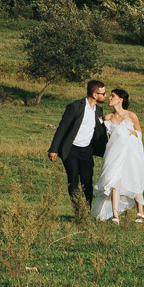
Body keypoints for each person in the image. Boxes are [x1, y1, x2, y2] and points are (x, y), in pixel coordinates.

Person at [46, 78, 111, 216]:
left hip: (86, 150)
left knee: (87, 181)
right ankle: (78, 210)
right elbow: (62, 128)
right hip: (71, 149)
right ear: (95, 94)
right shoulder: (75, 107)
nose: (105, 96)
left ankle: (86, 211)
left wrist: (108, 150)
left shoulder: (98, 111)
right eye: (103, 93)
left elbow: (100, 133)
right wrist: (53, 149)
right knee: (73, 180)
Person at [95, 88, 144, 223]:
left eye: (112, 96)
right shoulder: (108, 117)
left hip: (129, 152)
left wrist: (130, 132)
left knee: (133, 177)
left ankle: (140, 212)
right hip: (114, 153)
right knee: (114, 181)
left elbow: (139, 133)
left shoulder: (131, 116)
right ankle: (115, 215)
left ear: (120, 99)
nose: (109, 98)